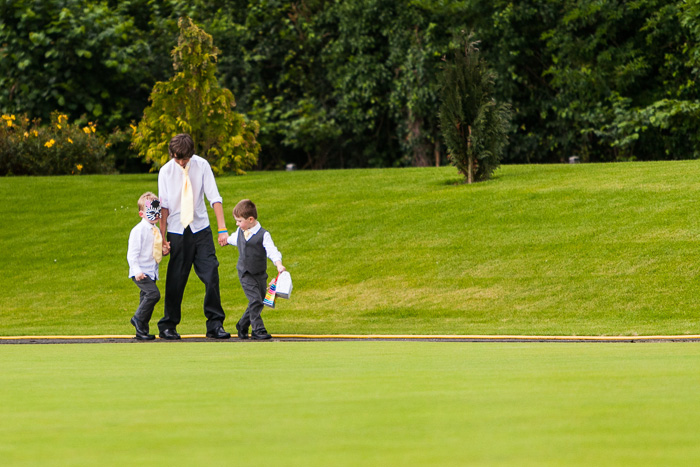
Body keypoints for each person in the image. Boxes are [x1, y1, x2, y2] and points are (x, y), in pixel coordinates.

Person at [157, 133, 231, 340]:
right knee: (176, 279)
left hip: (200, 229)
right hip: (176, 230)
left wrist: (222, 228)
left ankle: (215, 324)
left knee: (211, 273)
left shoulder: (202, 166)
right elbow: (163, 207)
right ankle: (168, 325)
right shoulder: (165, 172)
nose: (182, 163)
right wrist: (162, 239)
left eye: (186, 159)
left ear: (192, 154)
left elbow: (214, 198)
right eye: (178, 159)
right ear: (172, 154)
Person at [227, 199, 286, 340]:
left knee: (259, 300)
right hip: (245, 273)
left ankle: (242, 324)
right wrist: (226, 239)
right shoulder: (240, 231)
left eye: (239, 221)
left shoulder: (263, 235)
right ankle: (257, 329)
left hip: (259, 274)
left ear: (251, 219)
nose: (237, 224)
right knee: (255, 300)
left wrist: (278, 264)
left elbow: (272, 250)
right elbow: (234, 239)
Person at [126, 192, 163, 340]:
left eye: (158, 212)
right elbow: (132, 254)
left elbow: (154, 248)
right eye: (151, 212)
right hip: (141, 271)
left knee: (145, 299)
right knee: (153, 294)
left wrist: (164, 249)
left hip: (151, 271)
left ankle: (142, 331)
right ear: (141, 213)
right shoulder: (138, 231)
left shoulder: (156, 230)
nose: (155, 215)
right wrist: (137, 271)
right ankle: (137, 319)